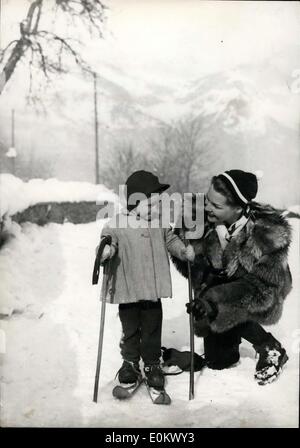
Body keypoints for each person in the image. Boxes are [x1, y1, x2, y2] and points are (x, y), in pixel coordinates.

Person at [172, 170, 292, 385]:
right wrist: (183, 247)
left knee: (225, 304)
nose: (207, 207)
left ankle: (269, 346)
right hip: (219, 291)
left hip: (262, 291)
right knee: (219, 361)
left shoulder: (268, 234)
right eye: (208, 200)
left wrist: (213, 302)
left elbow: (261, 291)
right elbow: (192, 270)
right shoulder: (198, 219)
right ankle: (228, 330)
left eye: (217, 206)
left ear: (238, 208)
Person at [97, 170, 195, 390]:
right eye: (149, 206)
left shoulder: (159, 223)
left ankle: (151, 364)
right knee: (130, 327)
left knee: (152, 327)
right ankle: (130, 362)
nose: (155, 209)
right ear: (133, 204)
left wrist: (182, 251)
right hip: (128, 290)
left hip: (152, 290)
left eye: (157, 204)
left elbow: (170, 239)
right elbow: (107, 240)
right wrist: (106, 251)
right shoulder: (119, 223)